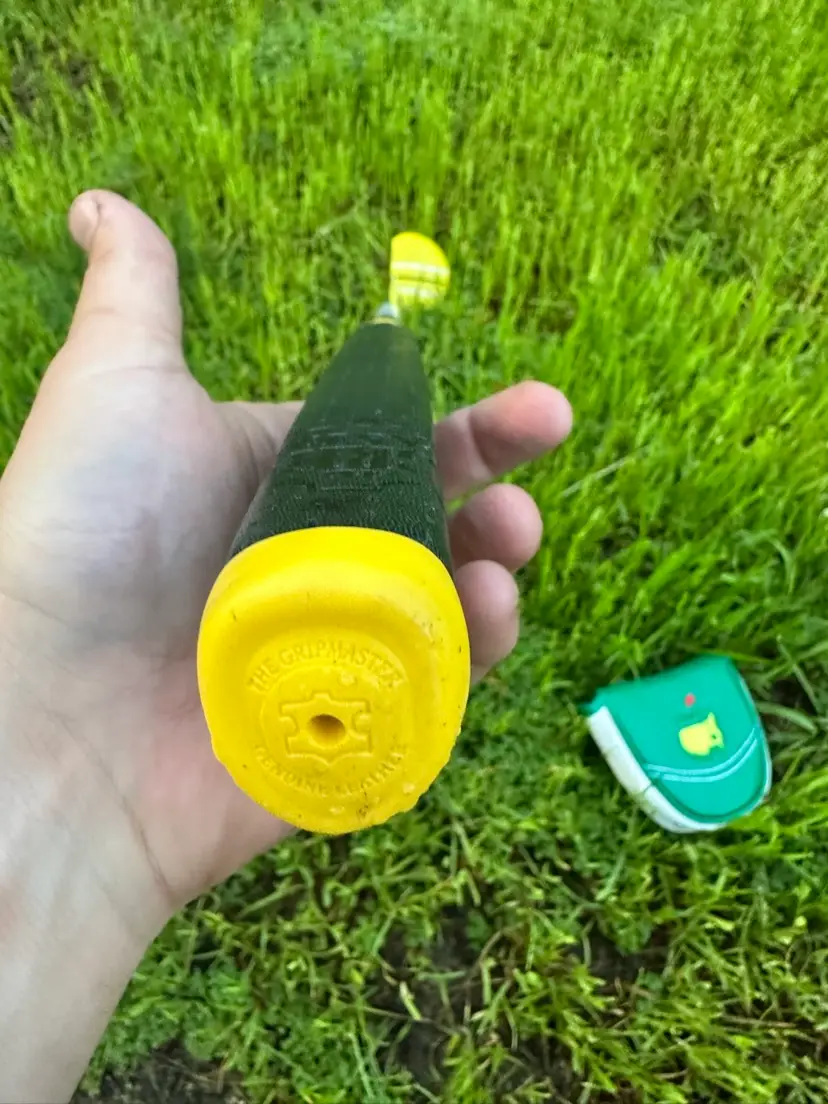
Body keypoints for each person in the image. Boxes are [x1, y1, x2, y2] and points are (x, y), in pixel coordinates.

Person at [0, 191, 573, 1102]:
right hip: (300, 599)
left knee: (402, 395)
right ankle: (391, 320)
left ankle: (392, 321)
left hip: (337, 591)